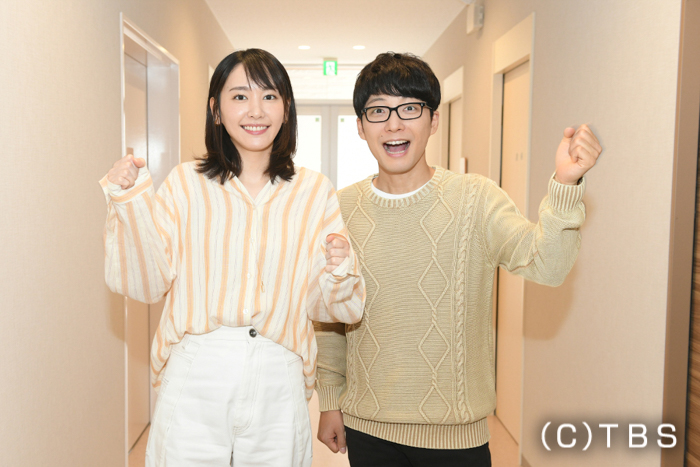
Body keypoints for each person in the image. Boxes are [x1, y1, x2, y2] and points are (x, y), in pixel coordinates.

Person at [314, 52, 602, 467]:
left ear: (433, 120)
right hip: (368, 430)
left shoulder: (476, 198)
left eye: (409, 108)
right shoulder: (339, 209)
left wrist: (565, 184)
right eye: (378, 111)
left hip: (456, 439)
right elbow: (329, 318)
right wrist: (329, 399)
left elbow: (549, 266)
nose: (393, 124)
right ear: (360, 126)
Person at [99, 48, 365, 467]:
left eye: (269, 96)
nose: (256, 110)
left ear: (286, 108)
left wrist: (339, 269)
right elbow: (147, 284)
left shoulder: (314, 191)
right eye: (240, 96)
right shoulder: (185, 184)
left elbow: (332, 308)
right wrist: (129, 202)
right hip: (197, 371)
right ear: (216, 110)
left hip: (279, 374)